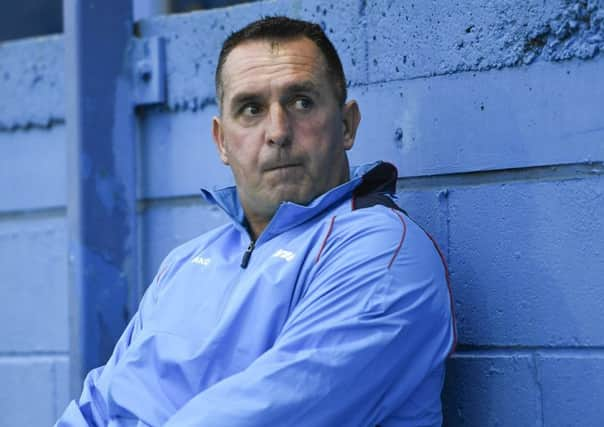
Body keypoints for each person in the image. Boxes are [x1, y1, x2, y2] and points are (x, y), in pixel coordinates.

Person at [56, 16, 456, 427]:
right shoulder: (185, 264)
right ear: (222, 142)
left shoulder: (381, 252)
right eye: (251, 109)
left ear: (347, 125)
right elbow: (96, 407)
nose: (278, 131)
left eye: (302, 101)